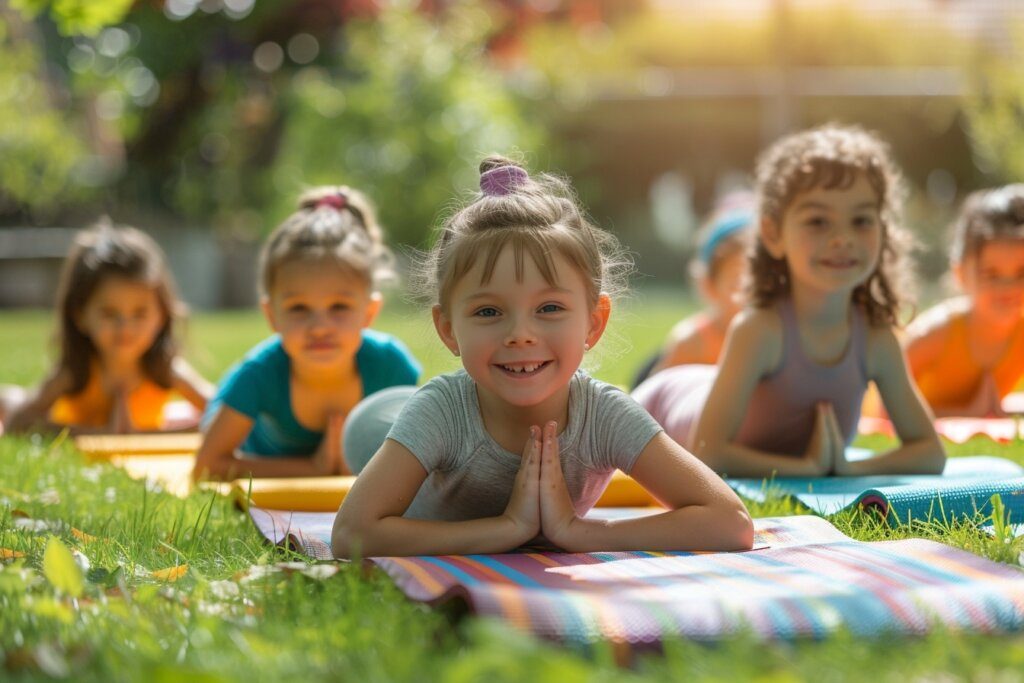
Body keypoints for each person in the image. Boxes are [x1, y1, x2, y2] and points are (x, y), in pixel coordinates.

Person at [331, 156, 753, 558]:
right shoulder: (441, 414)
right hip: (381, 421)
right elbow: (353, 533)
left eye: (549, 308)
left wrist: (579, 533)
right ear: (448, 329)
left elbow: (731, 522)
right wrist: (507, 528)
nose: (520, 335)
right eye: (488, 312)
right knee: (369, 428)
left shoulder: (604, 414)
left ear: (593, 321)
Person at [633, 125, 945, 478]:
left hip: (704, 386)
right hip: (661, 404)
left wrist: (848, 468)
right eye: (818, 222)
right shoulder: (760, 330)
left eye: (860, 220)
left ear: (882, 230)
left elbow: (930, 452)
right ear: (773, 234)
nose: (842, 238)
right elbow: (709, 454)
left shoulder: (875, 339)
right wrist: (806, 469)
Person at [194, 187, 420, 480]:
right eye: (299, 308)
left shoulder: (392, 368)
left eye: (339, 306)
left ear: (369, 313)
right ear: (271, 316)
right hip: (246, 437)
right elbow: (207, 466)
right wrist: (312, 469)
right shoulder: (259, 374)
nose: (319, 327)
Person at [0, 221, 212, 435]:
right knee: (15, 401)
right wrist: (100, 434)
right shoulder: (75, 371)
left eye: (140, 314)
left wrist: (143, 435)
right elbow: (17, 422)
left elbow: (225, 411)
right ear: (80, 315)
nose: (125, 327)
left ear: (162, 315)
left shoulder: (165, 369)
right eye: (110, 314)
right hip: (51, 411)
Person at [904, 184, 1024, 417]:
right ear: (960, 274)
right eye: (992, 275)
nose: (1008, 288)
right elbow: (883, 411)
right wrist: (964, 414)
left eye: (1022, 274)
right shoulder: (935, 334)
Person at [632, 193, 755, 387]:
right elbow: (656, 399)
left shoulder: (774, 339)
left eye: (761, 283)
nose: (750, 296)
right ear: (710, 285)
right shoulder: (694, 342)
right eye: (737, 285)